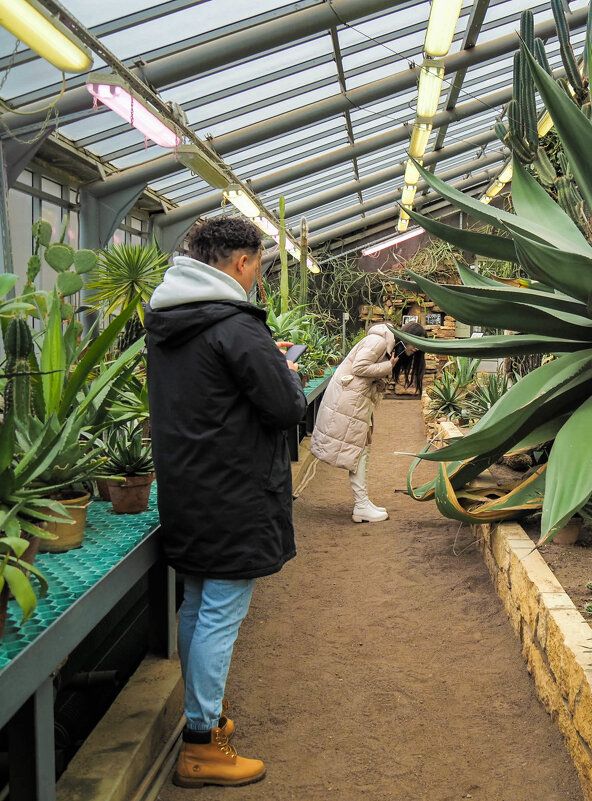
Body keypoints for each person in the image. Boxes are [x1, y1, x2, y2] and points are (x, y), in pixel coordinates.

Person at [144, 217, 307, 788]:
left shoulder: (169, 319)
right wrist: (287, 370)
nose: (258, 275)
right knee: (221, 612)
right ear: (242, 262)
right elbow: (286, 408)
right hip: (235, 489)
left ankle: (202, 722)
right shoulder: (234, 325)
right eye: (259, 265)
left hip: (188, 486)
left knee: (195, 604)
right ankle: (201, 745)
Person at [310, 320, 427, 522]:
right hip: (349, 399)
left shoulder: (387, 345)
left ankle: (363, 502)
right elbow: (360, 367)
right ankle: (361, 504)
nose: (415, 349)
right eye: (415, 344)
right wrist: (388, 366)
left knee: (363, 446)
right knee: (359, 448)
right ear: (407, 336)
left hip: (356, 399)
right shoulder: (378, 341)